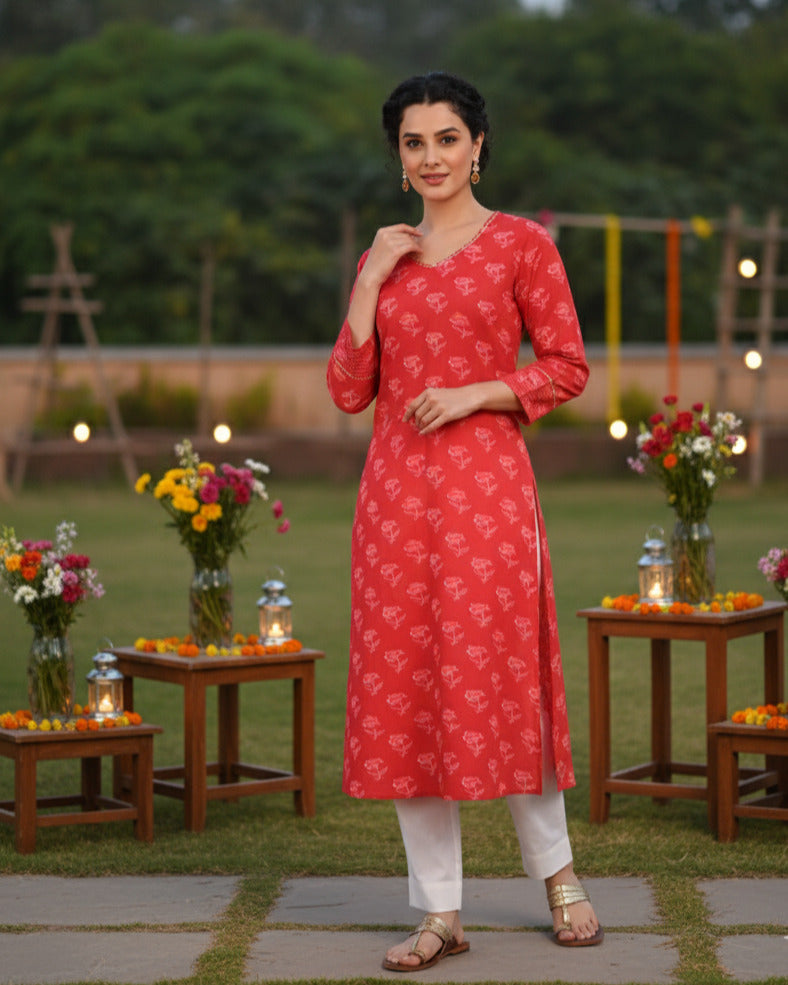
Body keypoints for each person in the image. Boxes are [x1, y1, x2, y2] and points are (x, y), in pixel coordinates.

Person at [326, 71, 603, 973]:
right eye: (414, 142)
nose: (432, 156)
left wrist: (479, 392)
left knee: (504, 677)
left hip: (488, 493)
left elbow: (566, 365)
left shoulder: (522, 244)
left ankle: (560, 878)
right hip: (396, 501)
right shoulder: (387, 256)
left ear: (478, 145)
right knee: (407, 692)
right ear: (398, 157)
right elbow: (348, 390)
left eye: (447, 138)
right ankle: (438, 909)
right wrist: (370, 279)